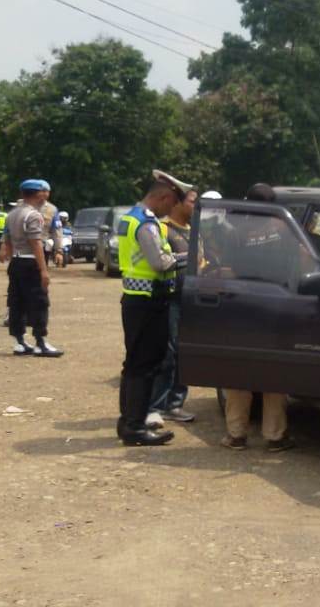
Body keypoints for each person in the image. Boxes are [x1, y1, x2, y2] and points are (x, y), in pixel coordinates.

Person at [117, 170, 192, 447]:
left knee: (134, 364)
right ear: (162, 197)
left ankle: (127, 422)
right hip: (149, 300)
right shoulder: (145, 224)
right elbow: (160, 263)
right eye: (170, 204)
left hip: (138, 299)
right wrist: (190, 255)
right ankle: (135, 426)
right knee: (145, 366)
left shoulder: (130, 217)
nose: (170, 210)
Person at [221, 182, 297, 453]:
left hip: (242, 309)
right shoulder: (286, 230)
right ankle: (275, 436)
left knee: (238, 373)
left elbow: (227, 272)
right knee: (273, 373)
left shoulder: (236, 233)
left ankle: (236, 435)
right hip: (276, 308)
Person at [147, 188, 197, 427]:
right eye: (192, 201)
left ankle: (175, 403)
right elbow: (160, 262)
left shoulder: (195, 231)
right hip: (170, 297)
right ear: (177, 203)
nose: (196, 207)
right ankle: (157, 405)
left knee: (184, 353)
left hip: (192, 298)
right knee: (168, 354)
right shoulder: (163, 228)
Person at [3, 180, 63, 358]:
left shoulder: (12, 214)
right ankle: (40, 342)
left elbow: (7, 239)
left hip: (16, 261)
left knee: (16, 301)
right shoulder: (34, 215)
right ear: (38, 194)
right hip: (31, 262)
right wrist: (43, 270)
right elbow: (36, 242)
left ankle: (20, 342)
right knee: (39, 301)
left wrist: (9, 252)